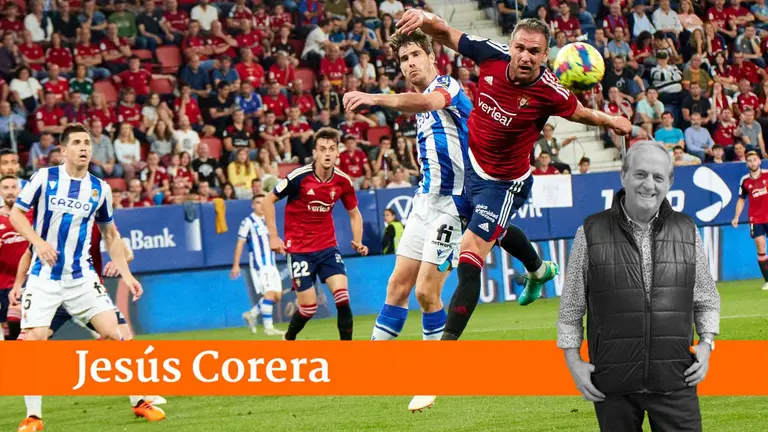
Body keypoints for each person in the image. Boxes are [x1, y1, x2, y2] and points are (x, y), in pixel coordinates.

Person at [395, 12, 632, 343]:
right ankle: (539, 269)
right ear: (511, 46)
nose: (525, 57)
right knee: (496, 230)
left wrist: (610, 120)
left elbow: (579, 112)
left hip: (504, 184)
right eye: (520, 48)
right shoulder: (491, 54)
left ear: (545, 55)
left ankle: (444, 352)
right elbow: (445, 32)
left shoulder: (551, 91)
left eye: (534, 52)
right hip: (470, 166)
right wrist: (423, 17)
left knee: (469, 255)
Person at [557, 141, 720, 431]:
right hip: (612, 385)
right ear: (623, 175)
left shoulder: (687, 230)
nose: (649, 185)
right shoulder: (590, 232)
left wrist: (707, 344)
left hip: (676, 381)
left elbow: (706, 298)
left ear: (669, 182)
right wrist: (574, 362)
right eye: (640, 174)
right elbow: (571, 308)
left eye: (658, 177)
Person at [343, 31, 472, 368]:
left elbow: (428, 103)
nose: (411, 62)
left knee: (426, 292)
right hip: (424, 202)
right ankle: (371, 369)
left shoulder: (447, 87)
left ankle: (433, 373)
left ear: (432, 56)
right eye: (404, 58)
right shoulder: (420, 106)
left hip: (454, 205)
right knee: (397, 286)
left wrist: (373, 98)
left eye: (416, 54)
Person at [7, 123, 144, 430]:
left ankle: (139, 402)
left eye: (87, 143)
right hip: (43, 278)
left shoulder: (100, 188)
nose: (84, 147)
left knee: (115, 334)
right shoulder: (44, 178)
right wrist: (39, 243)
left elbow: (110, 235)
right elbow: (16, 214)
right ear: (63, 150)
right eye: (77, 143)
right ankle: (33, 416)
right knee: (34, 341)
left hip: (81, 278)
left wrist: (127, 275)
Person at [264, 128, 368, 341]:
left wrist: (358, 240)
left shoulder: (343, 181)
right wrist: (273, 236)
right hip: (299, 250)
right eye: (322, 149)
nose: (327, 154)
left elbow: (355, 214)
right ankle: (289, 338)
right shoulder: (298, 177)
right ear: (315, 153)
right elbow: (268, 200)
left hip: (327, 247)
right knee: (308, 308)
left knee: (342, 298)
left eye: (331, 149)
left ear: (337, 152)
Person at [230, 194, 286, 336]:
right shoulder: (247, 222)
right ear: (253, 205)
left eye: (263, 202)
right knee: (269, 294)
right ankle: (268, 328)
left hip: (272, 264)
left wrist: (280, 248)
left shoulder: (268, 221)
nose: (261, 205)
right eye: (258, 202)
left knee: (277, 296)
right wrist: (236, 264)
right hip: (259, 265)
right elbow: (240, 243)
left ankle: (252, 314)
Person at [731, 150, 768, 291]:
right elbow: (741, 199)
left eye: (754, 160)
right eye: (749, 161)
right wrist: (736, 216)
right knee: (761, 247)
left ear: (759, 161)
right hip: (755, 218)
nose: (752, 163)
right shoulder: (745, 181)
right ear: (747, 164)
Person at [0, 175, 26, 341]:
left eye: (13, 187)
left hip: (27, 281)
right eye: (6, 188)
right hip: (3, 284)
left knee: (19, 321)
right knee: (9, 332)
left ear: (20, 190)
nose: (10, 192)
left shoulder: (30, 215)